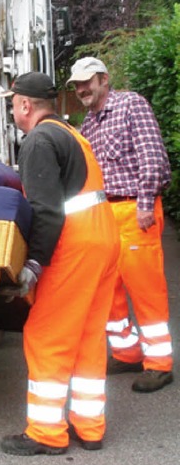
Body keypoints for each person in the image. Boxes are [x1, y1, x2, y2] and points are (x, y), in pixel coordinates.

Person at [0, 72, 120, 455]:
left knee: (47, 334)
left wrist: (33, 265)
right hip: (103, 239)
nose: (12, 111)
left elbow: (46, 211)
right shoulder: (71, 134)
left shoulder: (38, 140)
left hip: (75, 247)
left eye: (12, 103)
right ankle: (90, 426)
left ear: (24, 105)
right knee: (86, 337)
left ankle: (47, 433)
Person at [67, 57, 173, 393]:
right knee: (109, 290)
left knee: (145, 290)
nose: (81, 89)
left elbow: (153, 157)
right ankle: (127, 352)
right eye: (77, 84)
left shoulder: (131, 105)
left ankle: (159, 363)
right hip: (106, 216)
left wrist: (145, 206)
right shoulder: (91, 123)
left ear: (103, 79)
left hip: (133, 211)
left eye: (87, 81)